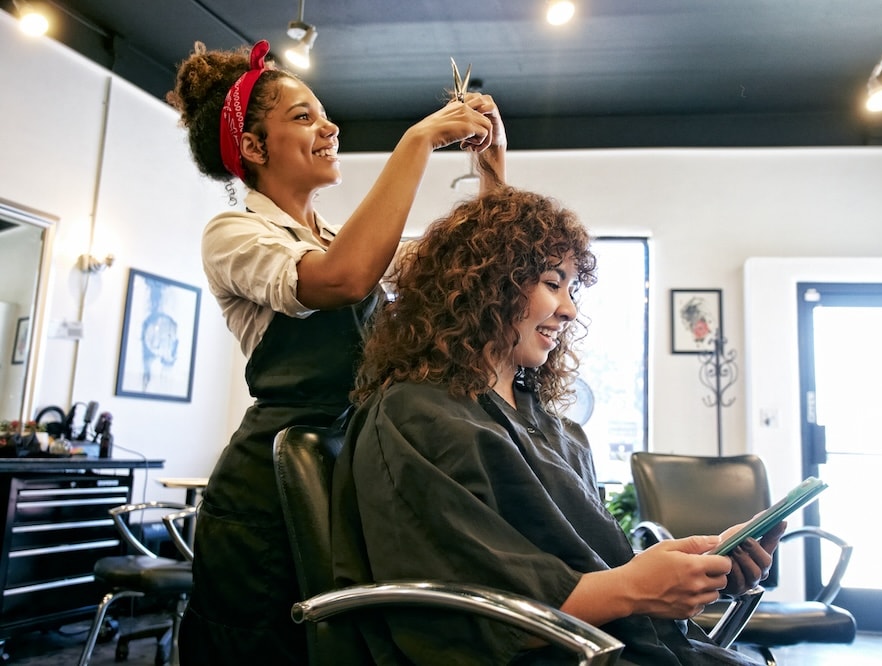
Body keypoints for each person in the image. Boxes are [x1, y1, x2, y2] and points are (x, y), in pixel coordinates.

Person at [331, 186, 783, 665]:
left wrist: (698, 572)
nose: (568, 309)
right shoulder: (416, 417)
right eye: (552, 282)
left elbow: (594, 568)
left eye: (571, 289)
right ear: (487, 284)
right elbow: (469, 618)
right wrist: (633, 587)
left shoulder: (556, 431)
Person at [166, 39, 506, 665]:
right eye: (303, 117)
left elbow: (471, 274)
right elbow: (340, 280)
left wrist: (491, 169)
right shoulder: (236, 233)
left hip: (346, 477)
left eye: (323, 114)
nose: (330, 127)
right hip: (264, 496)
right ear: (251, 147)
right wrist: (416, 143)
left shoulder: (339, 237)